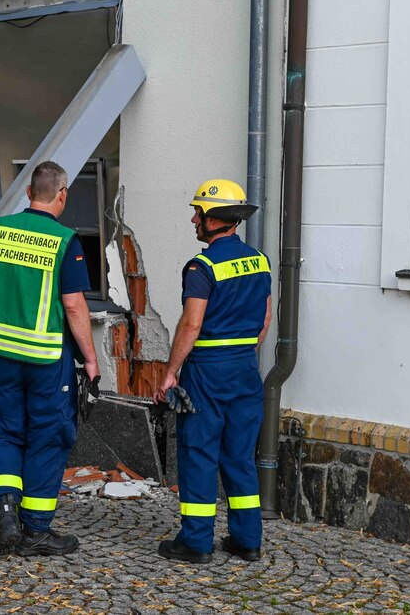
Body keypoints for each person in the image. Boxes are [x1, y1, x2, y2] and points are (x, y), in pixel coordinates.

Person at [0, 160, 100, 558]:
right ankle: (35, 530)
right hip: (46, 360)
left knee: (4, 430)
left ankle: (4, 513)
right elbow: (74, 307)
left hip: (2, 356)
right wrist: (91, 361)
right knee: (48, 435)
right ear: (62, 195)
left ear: (28, 192)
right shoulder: (64, 241)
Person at [153, 178, 272, 564]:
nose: (193, 220)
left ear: (213, 218)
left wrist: (172, 372)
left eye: (197, 213)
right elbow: (265, 319)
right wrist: (241, 352)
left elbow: (191, 324)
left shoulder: (201, 267)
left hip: (207, 371)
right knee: (239, 455)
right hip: (244, 369)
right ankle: (247, 539)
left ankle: (197, 542)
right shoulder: (259, 260)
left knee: (199, 453)